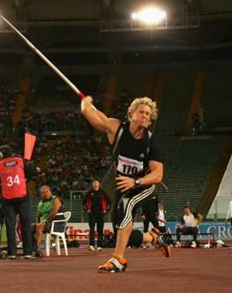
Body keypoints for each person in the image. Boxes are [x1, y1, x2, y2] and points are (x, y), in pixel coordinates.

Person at [81, 96, 170, 273]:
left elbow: (158, 175)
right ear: (131, 114)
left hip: (143, 187)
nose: (145, 116)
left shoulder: (150, 142)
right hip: (123, 186)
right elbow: (94, 116)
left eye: (148, 114)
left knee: (125, 206)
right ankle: (152, 238)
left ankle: (118, 260)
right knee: (121, 233)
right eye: (141, 112)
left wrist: (136, 181)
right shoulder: (117, 129)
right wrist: (86, 104)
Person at [0, 145, 39, 259]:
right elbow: (34, 172)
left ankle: (12, 253)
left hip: (8, 198)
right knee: (25, 224)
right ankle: (28, 252)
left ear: (1, 155)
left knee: (10, 225)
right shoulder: (20, 161)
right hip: (22, 197)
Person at [34, 185, 64, 258]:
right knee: (27, 228)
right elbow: (37, 216)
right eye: (43, 193)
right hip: (44, 224)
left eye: (47, 192)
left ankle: (37, 249)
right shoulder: (40, 203)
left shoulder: (56, 199)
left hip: (56, 224)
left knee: (39, 227)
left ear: (50, 191)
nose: (46, 194)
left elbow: (54, 212)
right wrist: (37, 223)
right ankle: (30, 249)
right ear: (41, 194)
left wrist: (44, 221)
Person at [83, 180, 111, 251]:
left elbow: (109, 202)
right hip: (92, 214)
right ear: (92, 185)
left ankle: (100, 246)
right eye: (94, 183)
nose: (95, 185)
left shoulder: (103, 192)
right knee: (91, 230)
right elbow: (84, 203)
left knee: (100, 230)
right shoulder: (89, 193)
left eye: (97, 183)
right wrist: (87, 210)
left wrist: (106, 210)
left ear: (99, 184)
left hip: (101, 214)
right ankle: (91, 245)